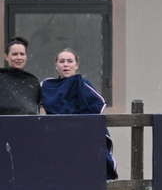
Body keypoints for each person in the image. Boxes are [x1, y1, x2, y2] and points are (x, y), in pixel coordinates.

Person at [41, 48, 118, 179]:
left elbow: (98, 105)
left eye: (70, 61)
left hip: (81, 135)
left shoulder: (82, 84)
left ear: (76, 65)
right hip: (56, 135)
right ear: (56, 65)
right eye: (62, 61)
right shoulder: (47, 85)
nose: (66, 64)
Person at [0, 36, 41, 115]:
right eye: (15, 54)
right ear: (6, 57)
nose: (19, 57)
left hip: (27, 122)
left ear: (26, 57)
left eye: (22, 54)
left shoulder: (33, 81)